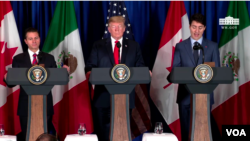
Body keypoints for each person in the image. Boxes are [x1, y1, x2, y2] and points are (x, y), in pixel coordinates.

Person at [85, 16, 150, 141]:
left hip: (126, 99)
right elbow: (89, 67)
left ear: (124, 28)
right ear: (109, 29)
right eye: (114, 26)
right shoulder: (98, 45)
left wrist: (146, 72)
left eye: (120, 26)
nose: (117, 29)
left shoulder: (133, 46)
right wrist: (89, 73)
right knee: (104, 135)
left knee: (123, 133)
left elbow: (140, 66)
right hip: (103, 98)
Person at [4, 27, 69, 141]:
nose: (34, 41)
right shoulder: (18, 59)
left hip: (45, 105)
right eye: (30, 39)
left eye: (36, 38)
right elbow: (12, 83)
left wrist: (64, 73)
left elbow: (57, 79)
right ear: (26, 41)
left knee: (45, 137)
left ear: (39, 39)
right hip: (25, 106)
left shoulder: (49, 58)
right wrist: (7, 78)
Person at [173, 13, 220, 141]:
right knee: (186, 133)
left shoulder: (212, 47)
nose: (196, 31)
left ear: (204, 28)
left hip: (205, 98)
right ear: (189, 27)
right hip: (185, 97)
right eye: (194, 27)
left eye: (200, 27)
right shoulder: (180, 47)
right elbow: (175, 70)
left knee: (204, 133)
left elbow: (217, 72)